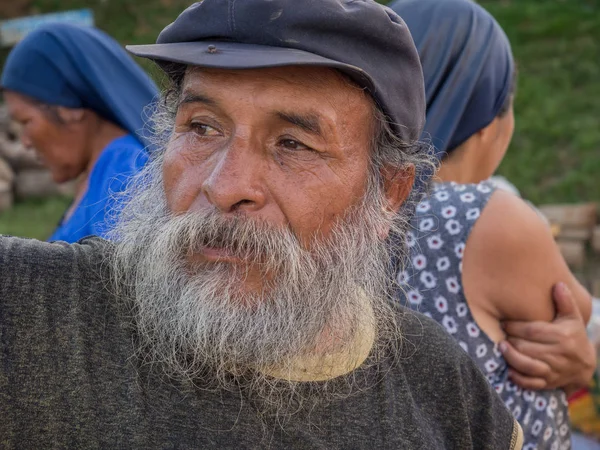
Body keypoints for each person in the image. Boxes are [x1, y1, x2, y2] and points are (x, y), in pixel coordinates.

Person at [0, 0, 525, 448]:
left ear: (388, 192)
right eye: (202, 127)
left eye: (293, 144)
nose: (224, 187)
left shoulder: (444, 389)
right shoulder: (32, 314)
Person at [389, 0, 593, 448]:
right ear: (489, 120)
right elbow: (581, 316)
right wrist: (587, 362)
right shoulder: (481, 217)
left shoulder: (348, 211)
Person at [1, 23, 158, 242]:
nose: (25, 142)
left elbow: (111, 272)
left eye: (26, 122)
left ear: (68, 109)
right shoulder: (104, 171)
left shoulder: (126, 170)